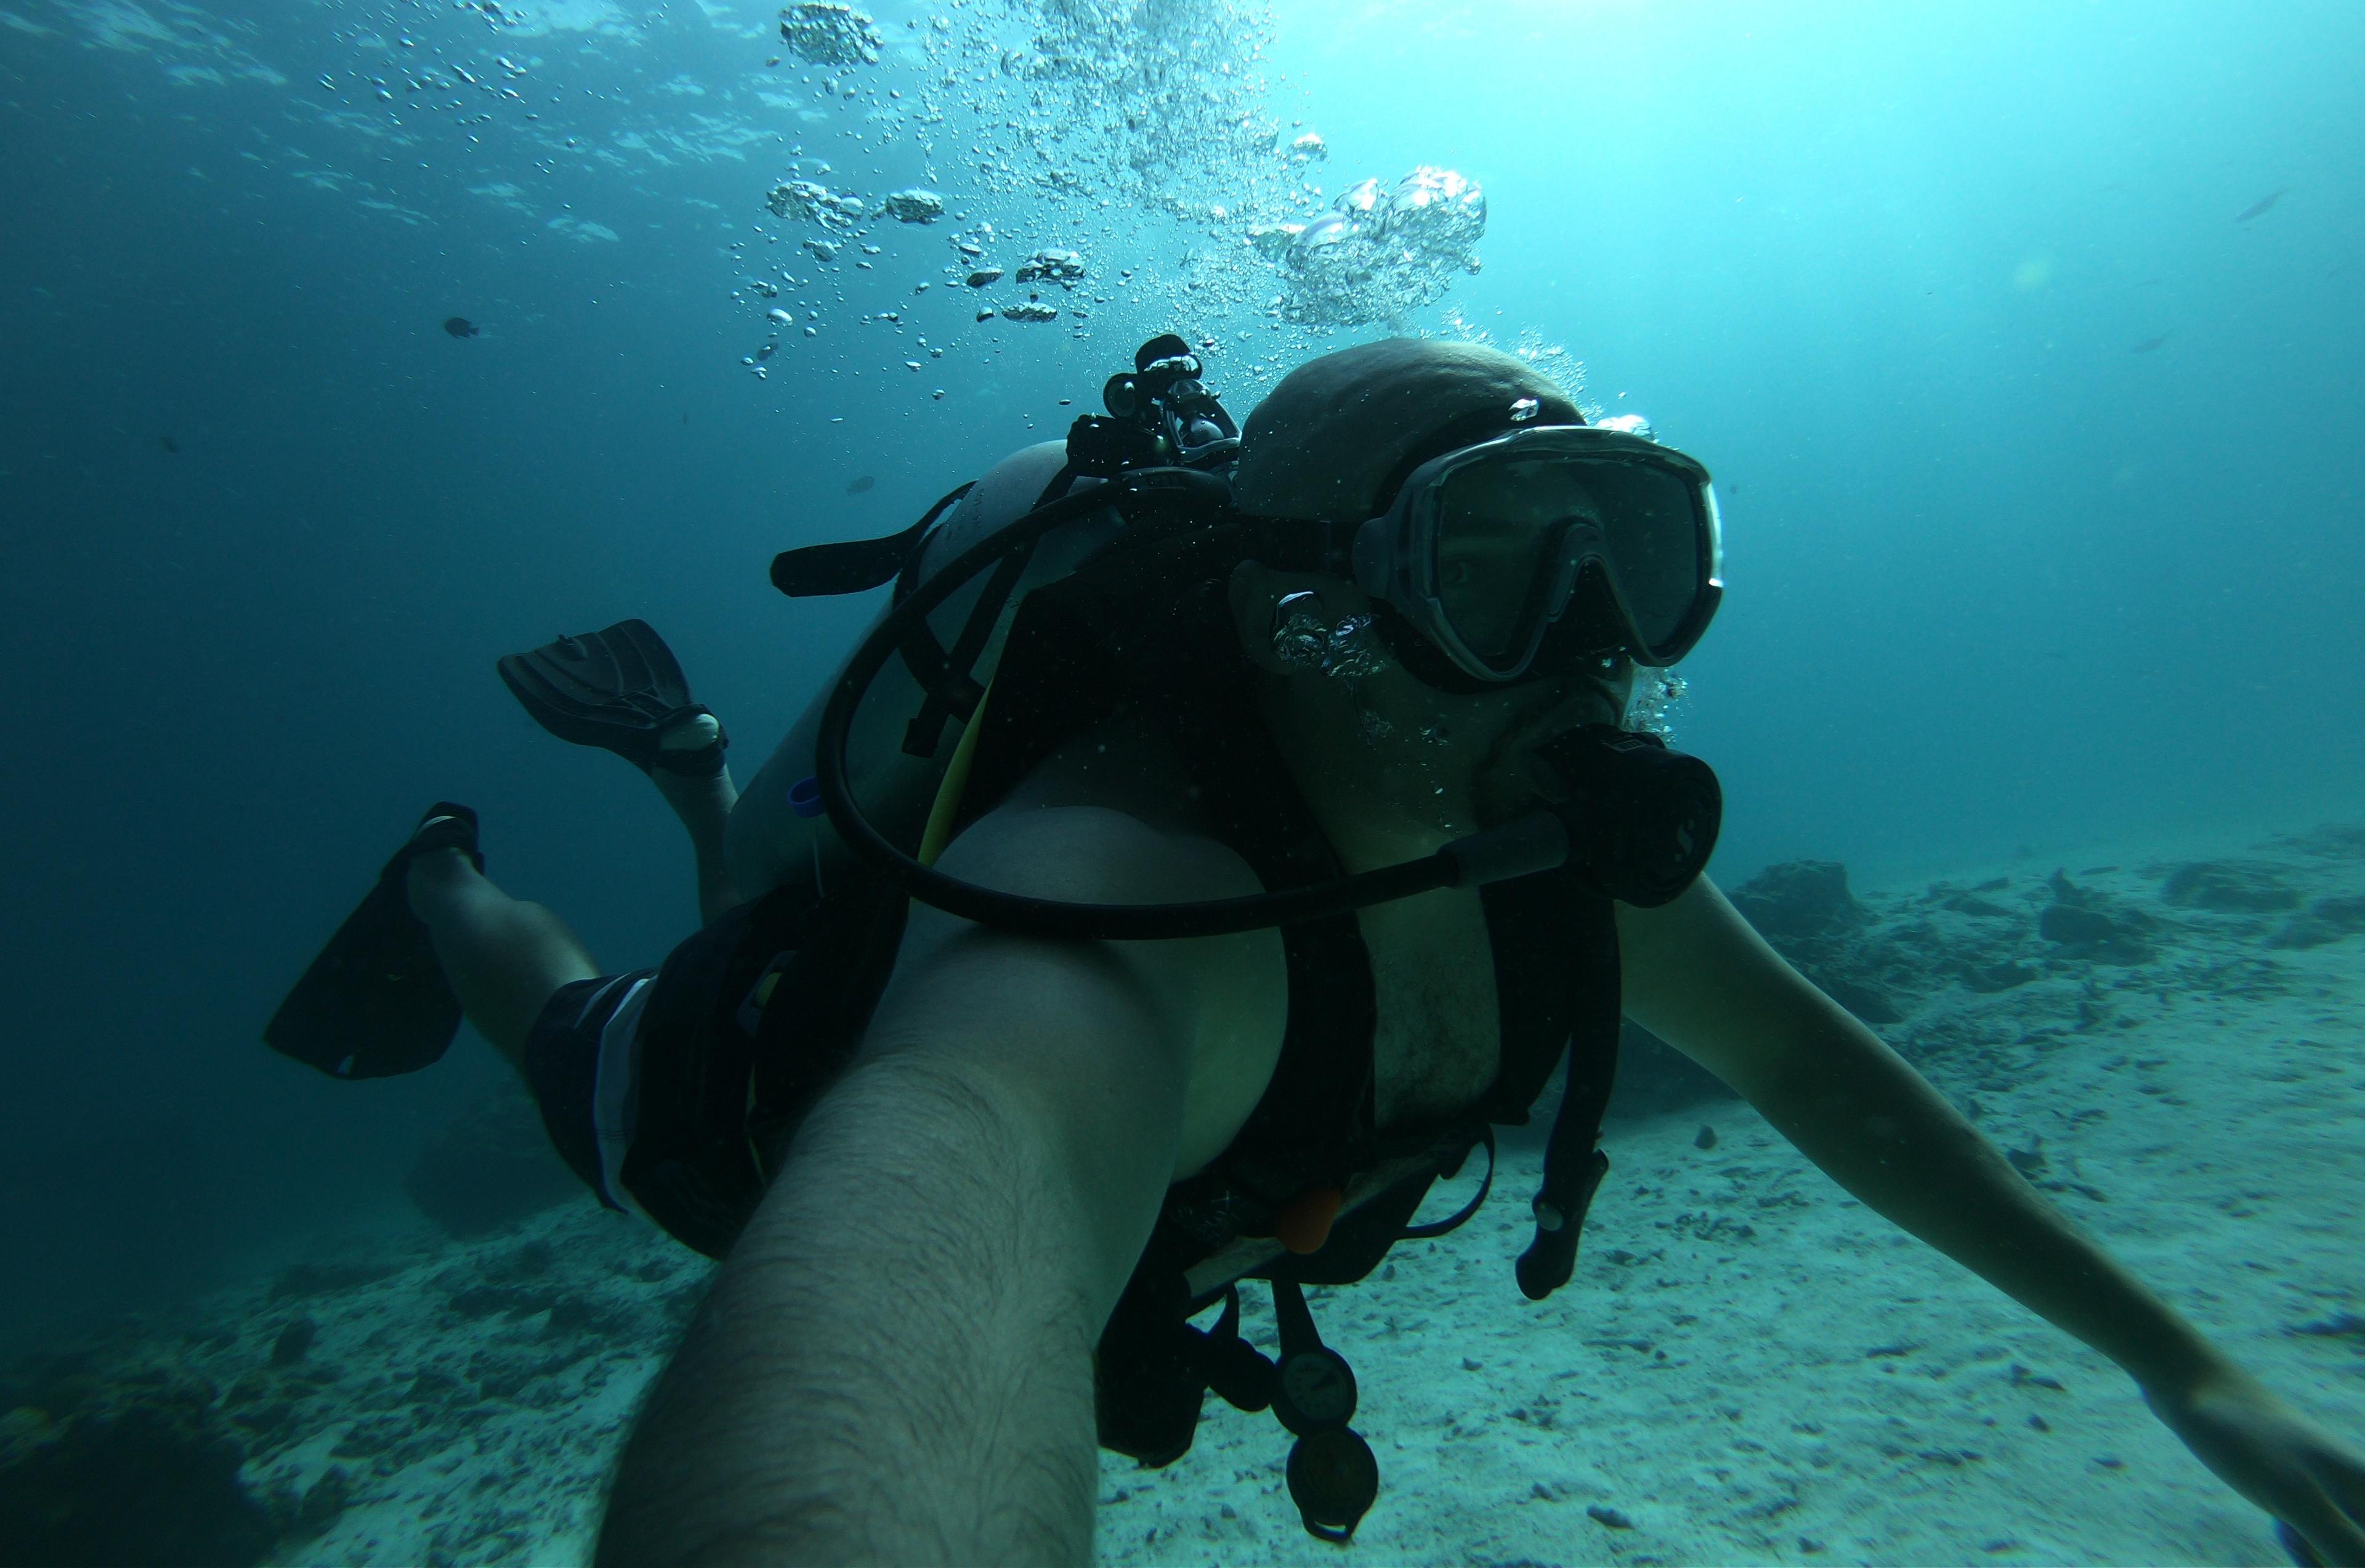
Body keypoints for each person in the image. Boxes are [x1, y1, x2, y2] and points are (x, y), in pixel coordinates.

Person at [269, 337, 2365, 1566]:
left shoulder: (1515, 814)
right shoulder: (1117, 902)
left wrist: (2186, 1361)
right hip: (729, 1116)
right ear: (1299, 601)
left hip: (1189, 1182)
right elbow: (952, 1169)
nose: (1586, 656)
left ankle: (709, 775)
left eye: (1625, 560)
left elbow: (1819, 1074)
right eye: (1486, 564)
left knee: (744, 871)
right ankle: (447, 865)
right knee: (581, 1018)